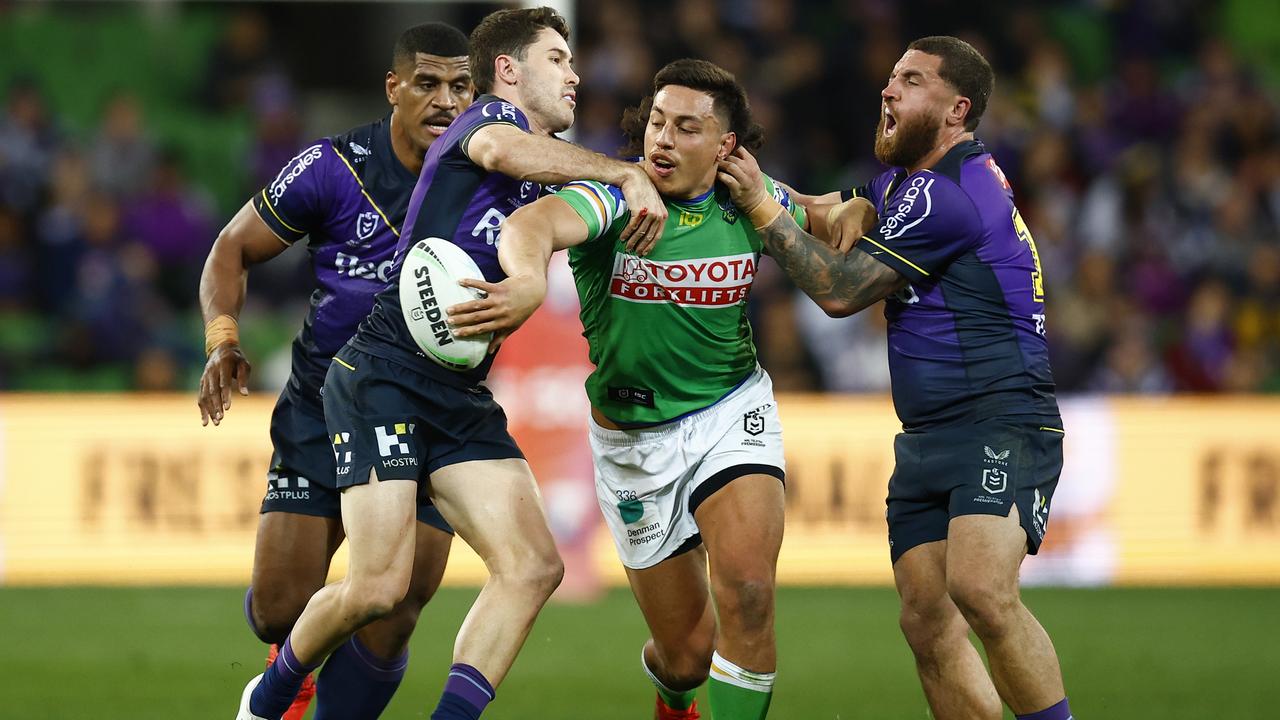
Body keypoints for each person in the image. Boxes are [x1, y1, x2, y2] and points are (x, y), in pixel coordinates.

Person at [234, 7, 669, 720]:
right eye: (557, 58)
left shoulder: (548, 172)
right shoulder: (483, 125)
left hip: (457, 392)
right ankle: (273, 695)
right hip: (384, 374)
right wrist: (624, 172)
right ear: (507, 70)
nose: (574, 73)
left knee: (534, 565)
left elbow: (536, 228)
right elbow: (506, 154)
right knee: (376, 588)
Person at [449, 59, 838, 720]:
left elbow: (826, 212)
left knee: (747, 588)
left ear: (724, 147)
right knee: (686, 655)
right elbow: (530, 227)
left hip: (729, 411)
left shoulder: (748, 196)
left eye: (686, 127)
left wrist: (857, 207)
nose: (662, 138)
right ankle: (672, 693)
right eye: (657, 121)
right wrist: (529, 280)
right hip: (633, 442)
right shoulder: (614, 195)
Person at [718, 36, 1073, 720]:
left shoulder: (955, 194)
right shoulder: (905, 186)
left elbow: (841, 289)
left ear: (955, 109)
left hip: (999, 419)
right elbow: (819, 207)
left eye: (910, 81)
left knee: (981, 591)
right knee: (925, 621)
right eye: (889, 77)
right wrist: (741, 176)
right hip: (927, 437)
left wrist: (761, 207)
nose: (887, 90)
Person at [198, 22, 473, 720]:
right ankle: (289, 665)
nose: (446, 100)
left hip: (434, 412)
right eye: (428, 82)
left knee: (396, 607)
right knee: (278, 612)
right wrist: (222, 337)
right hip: (326, 404)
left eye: (461, 85)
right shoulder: (334, 166)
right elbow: (231, 249)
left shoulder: (491, 176)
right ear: (393, 87)